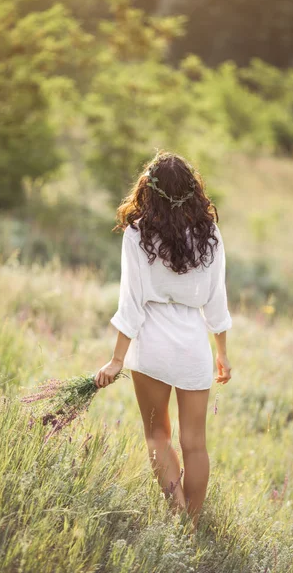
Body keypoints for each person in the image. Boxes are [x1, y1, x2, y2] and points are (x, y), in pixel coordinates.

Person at [95, 150, 233, 528]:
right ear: (192, 189)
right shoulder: (211, 234)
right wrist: (222, 352)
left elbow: (132, 303)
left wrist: (117, 359)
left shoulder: (137, 232)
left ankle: (178, 520)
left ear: (148, 190)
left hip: (151, 345)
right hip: (192, 347)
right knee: (195, 444)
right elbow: (216, 302)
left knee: (157, 435)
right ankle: (192, 522)